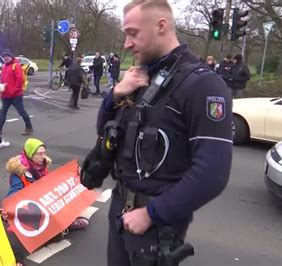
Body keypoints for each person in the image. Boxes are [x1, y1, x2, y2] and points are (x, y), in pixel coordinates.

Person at [82, 1, 232, 265]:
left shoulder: (203, 85)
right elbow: (106, 134)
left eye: (133, 32)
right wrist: (114, 95)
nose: (127, 43)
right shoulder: (140, 78)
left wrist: (151, 214)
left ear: (161, 26)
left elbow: (212, 173)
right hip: (120, 209)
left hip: (155, 226)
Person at [6, 138, 89, 231]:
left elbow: (51, 182)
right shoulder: (18, 174)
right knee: (49, 212)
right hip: (31, 206)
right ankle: (65, 226)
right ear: (30, 154)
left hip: (40, 199)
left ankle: (62, 224)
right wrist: (8, 209)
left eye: (43, 153)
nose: (43, 156)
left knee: (62, 195)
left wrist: (73, 173)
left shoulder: (40, 167)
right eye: (39, 154)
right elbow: (13, 194)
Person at [0, 49, 34, 136]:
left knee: (21, 112)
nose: (5, 58)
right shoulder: (4, 66)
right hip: (5, 95)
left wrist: (14, 91)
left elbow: (20, 80)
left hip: (15, 96)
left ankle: (29, 127)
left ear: (11, 57)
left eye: (7, 56)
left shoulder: (16, 66)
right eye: (4, 57)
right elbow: (2, 80)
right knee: (2, 112)